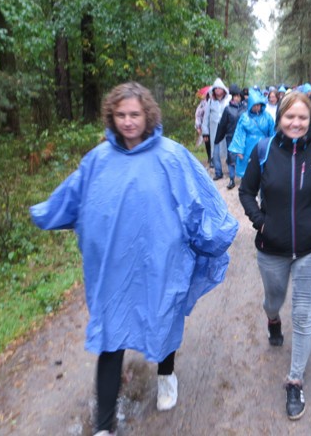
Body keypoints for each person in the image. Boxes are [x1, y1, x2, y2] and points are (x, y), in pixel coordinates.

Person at [30, 82, 239, 436]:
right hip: (113, 267)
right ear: (111, 117)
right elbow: (74, 197)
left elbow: (200, 201)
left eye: (135, 114)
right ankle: (104, 426)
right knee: (110, 336)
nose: (128, 122)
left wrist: (212, 239)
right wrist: (45, 213)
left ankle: (166, 373)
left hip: (161, 263)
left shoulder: (171, 156)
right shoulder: (97, 160)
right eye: (121, 115)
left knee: (163, 318)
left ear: (148, 115)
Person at [238, 91, 311, 420]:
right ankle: (273, 321)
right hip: (272, 248)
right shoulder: (263, 150)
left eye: (302, 118)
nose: (296, 123)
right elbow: (246, 191)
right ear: (279, 119)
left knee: (305, 314)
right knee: (273, 300)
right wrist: (261, 223)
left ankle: (295, 380)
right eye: (289, 117)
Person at [228, 88, 275, 179]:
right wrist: (239, 150)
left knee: (264, 167)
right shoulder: (245, 117)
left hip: (264, 145)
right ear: (250, 105)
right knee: (248, 169)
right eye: (254, 105)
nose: (257, 107)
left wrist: (273, 147)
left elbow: (272, 132)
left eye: (258, 105)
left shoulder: (267, 117)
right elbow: (239, 134)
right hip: (248, 146)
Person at [214, 84, 246, 189]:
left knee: (242, 157)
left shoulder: (245, 109)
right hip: (230, 137)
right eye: (235, 96)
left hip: (242, 138)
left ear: (241, 97)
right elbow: (222, 125)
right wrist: (218, 138)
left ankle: (244, 178)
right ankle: (232, 179)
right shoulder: (227, 109)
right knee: (231, 157)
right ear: (232, 97)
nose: (237, 98)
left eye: (239, 96)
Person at [202, 78, 231, 180]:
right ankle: (218, 172)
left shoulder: (229, 100)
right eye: (216, 88)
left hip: (226, 129)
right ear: (213, 90)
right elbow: (206, 118)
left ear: (223, 89)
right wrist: (205, 133)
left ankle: (230, 171)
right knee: (215, 151)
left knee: (229, 150)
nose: (218, 90)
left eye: (220, 88)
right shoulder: (210, 102)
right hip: (214, 130)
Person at [194, 87, 211, 166]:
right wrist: (198, 126)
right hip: (205, 126)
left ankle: (214, 159)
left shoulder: (217, 102)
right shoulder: (203, 104)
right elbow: (198, 115)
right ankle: (210, 157)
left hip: (215, 126)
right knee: (207, 142)